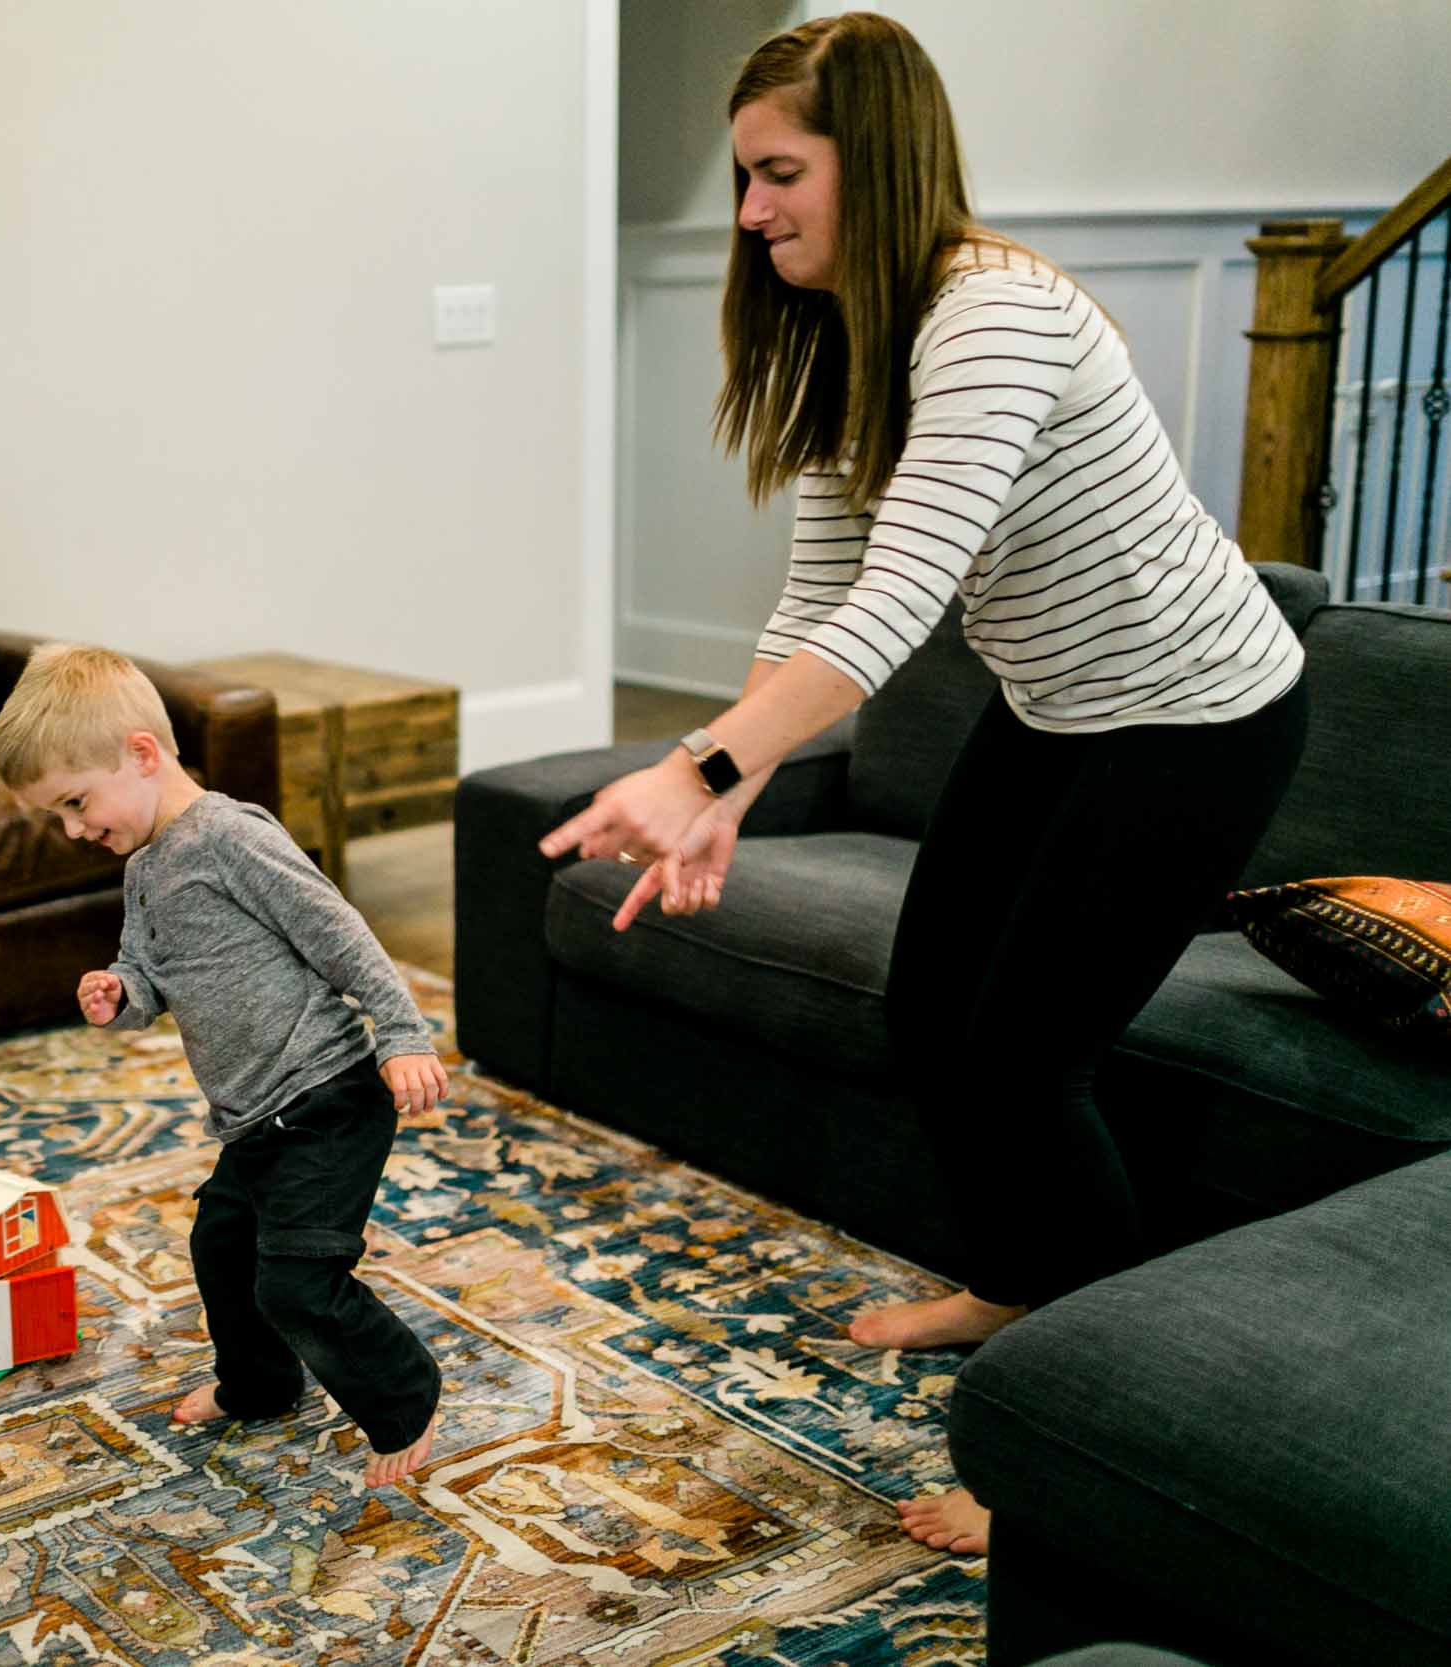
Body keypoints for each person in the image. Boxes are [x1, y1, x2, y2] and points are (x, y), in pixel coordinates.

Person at [538, 13, 1308, 1556]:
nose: (750, 213)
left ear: (871, 159)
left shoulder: (992, 315)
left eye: (777, 174)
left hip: (1199, 720)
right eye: (745, 178)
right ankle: (1019, 1285)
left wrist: (693, 767)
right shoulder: (852, 329)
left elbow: (898, 607)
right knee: (930, 1006)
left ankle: (1080, 1441)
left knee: (1027, 1056)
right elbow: (823, 590)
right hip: (1062, 709)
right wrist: (732, 790)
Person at [0, 645, 453, 1488]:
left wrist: (402, 1033)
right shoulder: (144, 869)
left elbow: (338, 930)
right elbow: (148, 973)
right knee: (221, 1248)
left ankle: (404, 1395)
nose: (72, 829)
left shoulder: (233, 838)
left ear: (140, 754)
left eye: (76, 802)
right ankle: (261, 1386)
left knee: (298, 1281)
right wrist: (117, 993)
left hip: (329, 1094)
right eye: (56, 813)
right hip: (253, 1116)